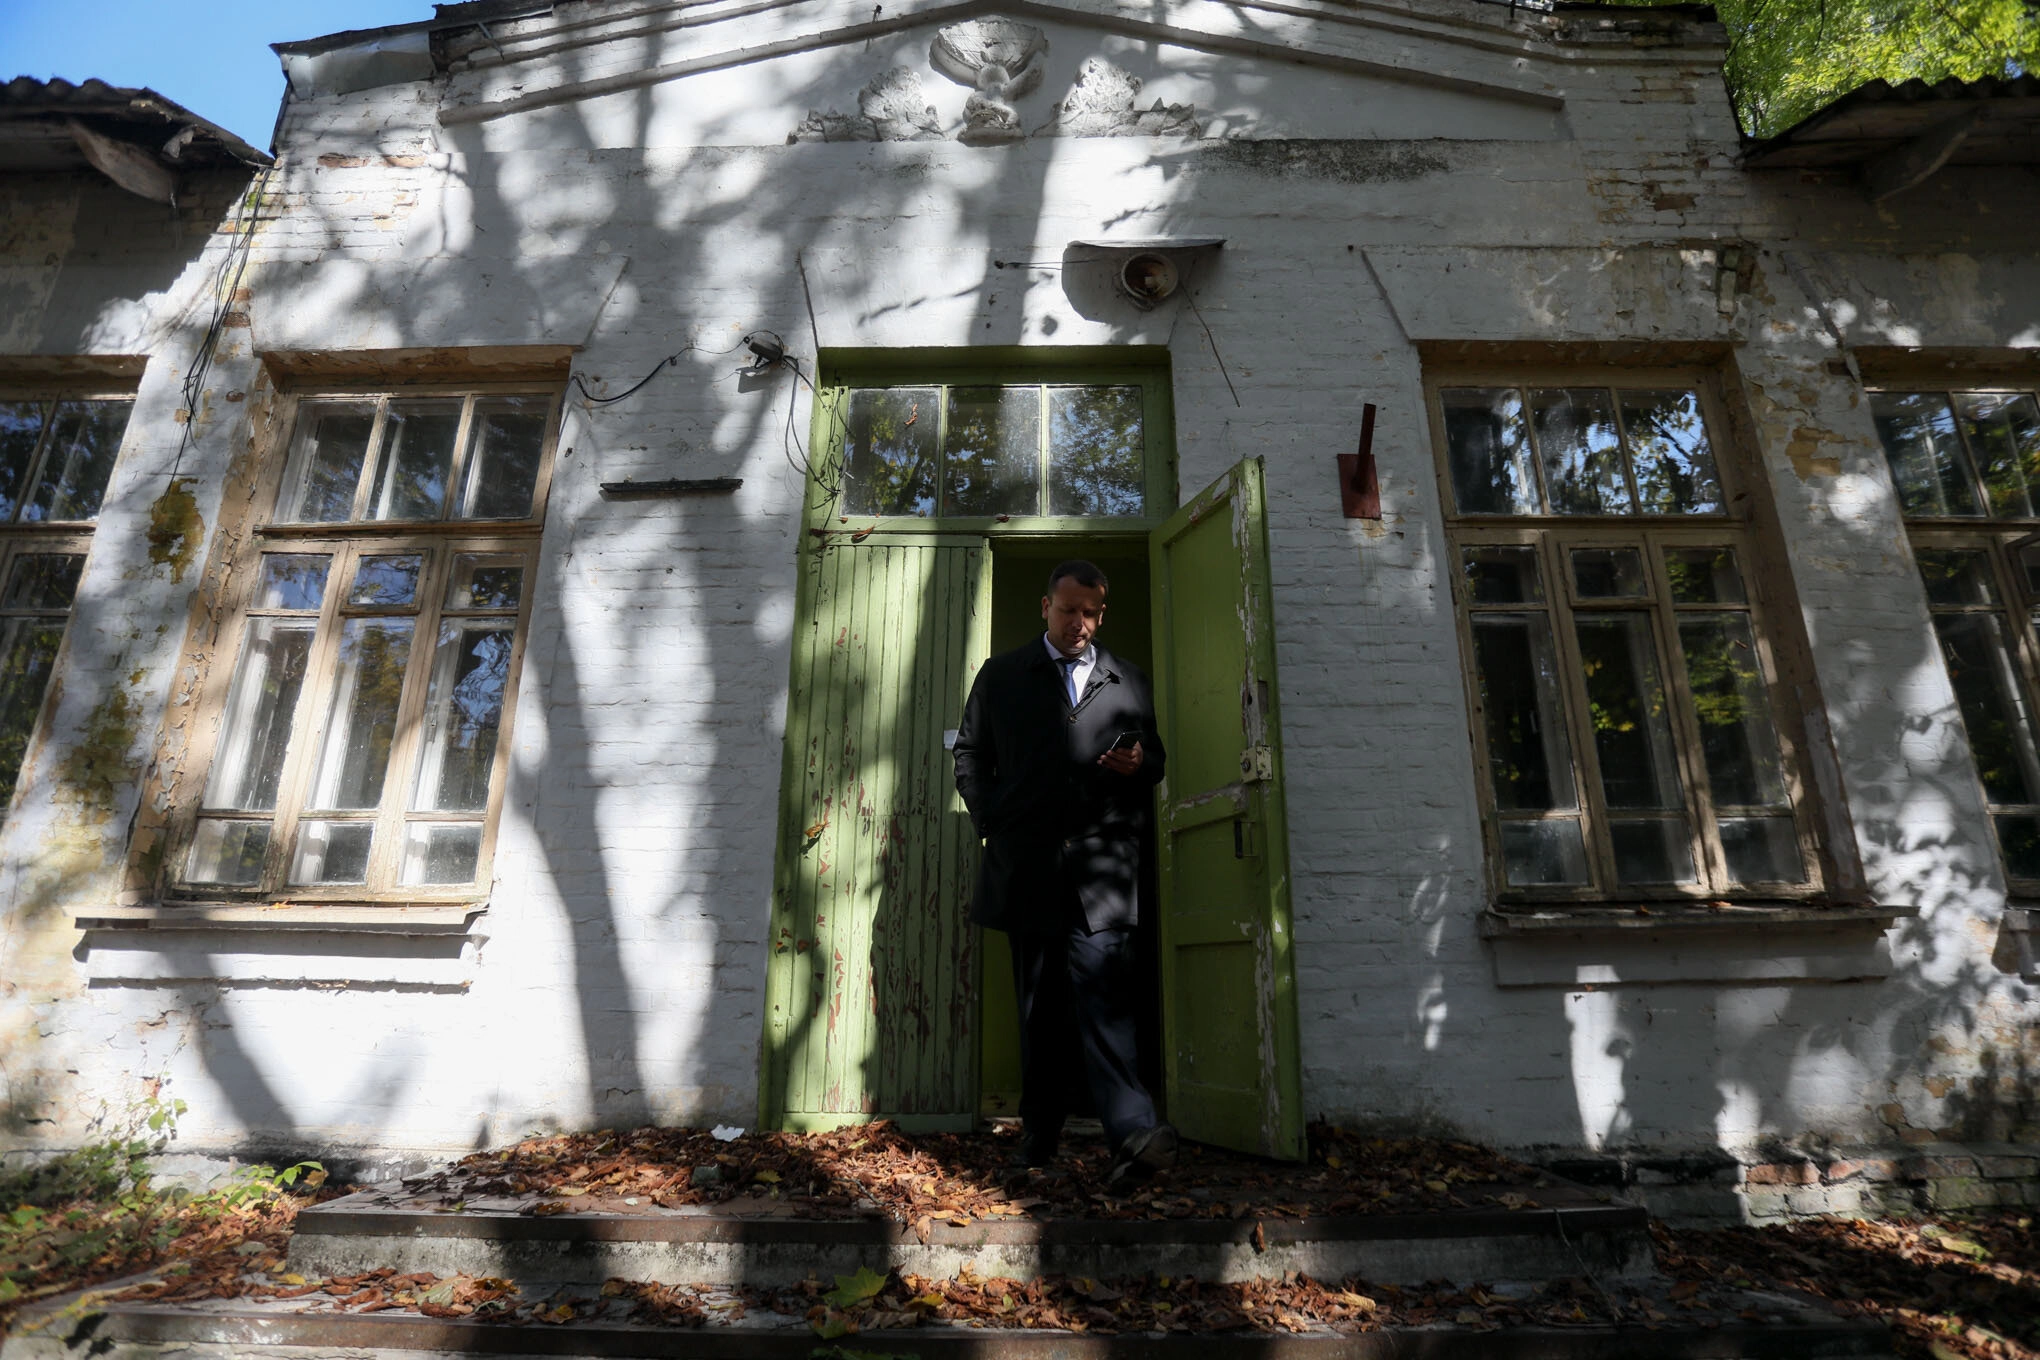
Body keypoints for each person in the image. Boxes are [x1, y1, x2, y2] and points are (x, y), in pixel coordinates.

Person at [952, 559, 1177, 1185]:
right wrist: (993, 816)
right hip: (1029, 866)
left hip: (1103, 870)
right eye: (1068, 609)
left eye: (1091, 613)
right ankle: (1040, 1132)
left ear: (1101, 614)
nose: (1079, 623)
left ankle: (1133, 1139)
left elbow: (1154, 755)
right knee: (1038, 1010)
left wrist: (1142, 762)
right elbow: (970, 753)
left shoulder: (1125, 678)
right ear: (1044, 606)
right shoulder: (1001, 676)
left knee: (1106, 1004)